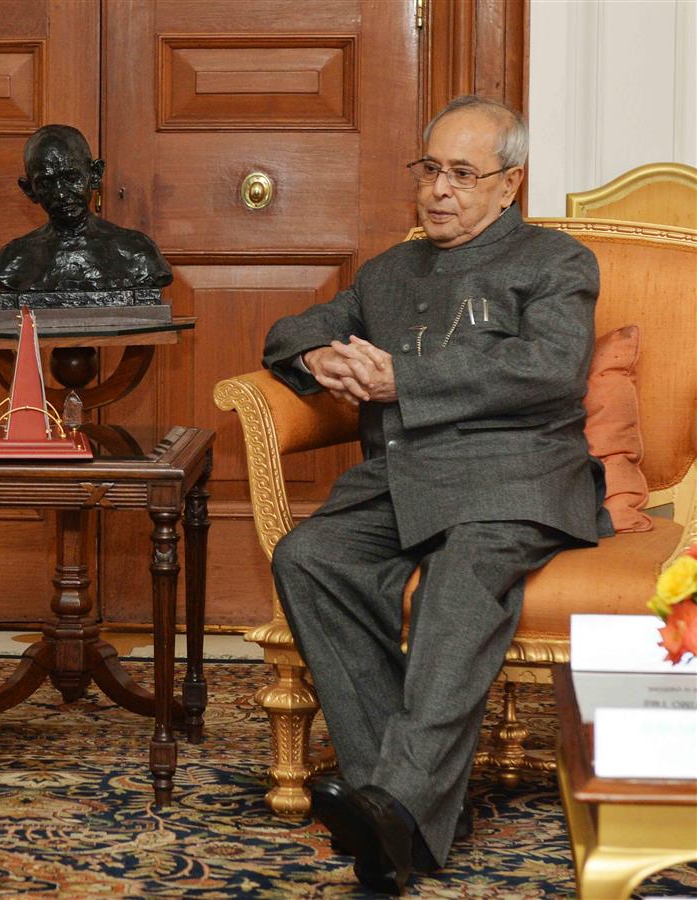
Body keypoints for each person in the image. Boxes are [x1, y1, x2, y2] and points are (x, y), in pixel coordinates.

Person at [262, 95, 609, 894]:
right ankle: (391, 800)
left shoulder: (557, 262)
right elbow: (291, 330)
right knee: (308, 556)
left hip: (515, 475)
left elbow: (551, 369)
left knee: (460, 582)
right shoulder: (387, 272)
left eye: (462, 174)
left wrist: (400, 376)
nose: (439, 191)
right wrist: (318, 360)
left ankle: (398, 814)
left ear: (508, 183)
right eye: (430, 171)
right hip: (403, 476)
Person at [0, 124, 171, 292]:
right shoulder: (13, 261)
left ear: (95, 174)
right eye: (46, 183)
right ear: (29, 190)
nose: (60, 194)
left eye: (71, 178)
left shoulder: (137, 254)